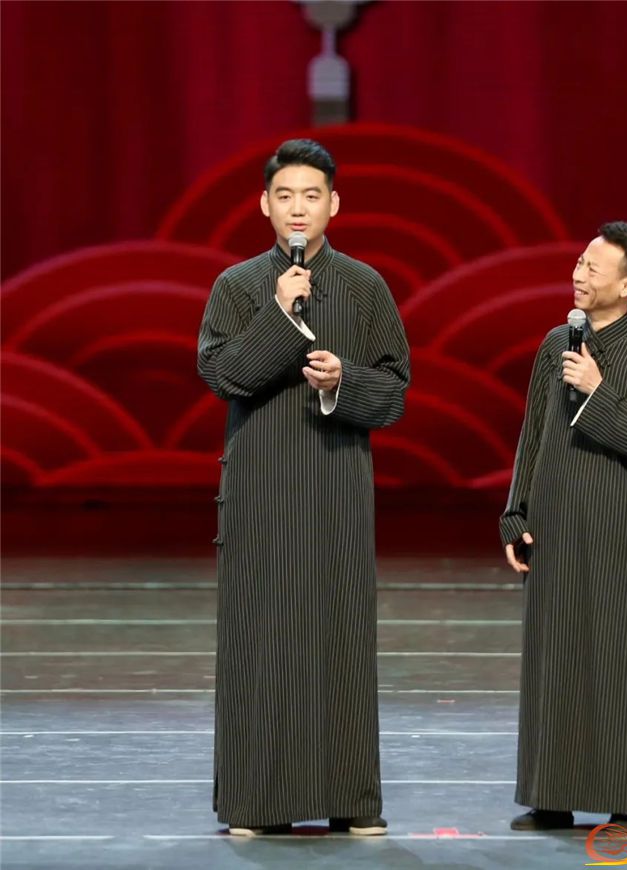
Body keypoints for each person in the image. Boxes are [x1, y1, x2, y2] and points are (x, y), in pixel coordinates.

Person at [197, 139, 410, 837]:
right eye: (285, 195)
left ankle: (352, 799)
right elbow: (224, 375)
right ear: (264, 204)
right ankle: (257, 804)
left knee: (340, 636)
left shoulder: (366, 287)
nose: (298, 208)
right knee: (261, 641)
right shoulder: (237, 286)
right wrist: (281, 319)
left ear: (334, 204)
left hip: (336, 485)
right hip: (261, 487)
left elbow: (394, 392)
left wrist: (344, 380)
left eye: (311, 195)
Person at [500, 221, 627, 832]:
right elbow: (533, 432)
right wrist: (515, 511)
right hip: (553, 519)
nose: (578, 274)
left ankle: (622, 801)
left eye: (593, 268)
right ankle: (550, 796)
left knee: (613, 656)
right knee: (551, 656)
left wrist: (598, 392)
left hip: (615, 523)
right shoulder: (559, 341)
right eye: (579, 263)